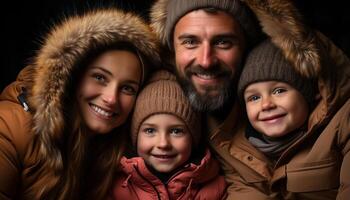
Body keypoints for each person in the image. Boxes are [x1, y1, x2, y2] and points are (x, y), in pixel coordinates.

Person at [150, 0, 350, 199]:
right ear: (172, 50)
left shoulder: (341, 118)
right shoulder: (207, 125)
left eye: (223, 42)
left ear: (247, 48)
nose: (206, 60)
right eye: (190, 42)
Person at [0, 9, 160, 200]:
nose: (111, 99)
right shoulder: (9, 127)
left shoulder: (119, 151)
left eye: (128, 88)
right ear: (73, 77)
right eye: (99, 77)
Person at [233, 39, 349, 199]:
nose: (266, 105)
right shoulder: (241, 150)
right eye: (254, 98)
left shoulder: (343, 122)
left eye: (279, 91)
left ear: (308, 93)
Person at [111, 70, 227, 199]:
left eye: (176, 131)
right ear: (135, 137)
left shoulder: (215, 188)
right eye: (150, 131)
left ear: (194, 138)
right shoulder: (115, 186)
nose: (163, 143)